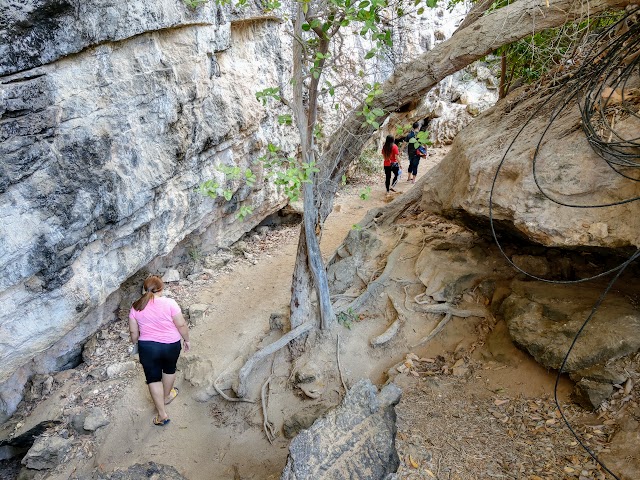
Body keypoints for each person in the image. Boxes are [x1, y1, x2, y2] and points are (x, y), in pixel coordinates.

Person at [129, 275, 191, 426]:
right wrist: (187, 340)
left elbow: (133, 334)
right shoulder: (170, 303)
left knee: (153, 378)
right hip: (171, 344)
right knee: (169, 369)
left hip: (148, 347)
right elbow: (181, 324)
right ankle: (167, 396)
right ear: (161, 289)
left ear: (144, 289)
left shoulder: (136, 306)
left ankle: (162, 414)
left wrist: (136, 342)